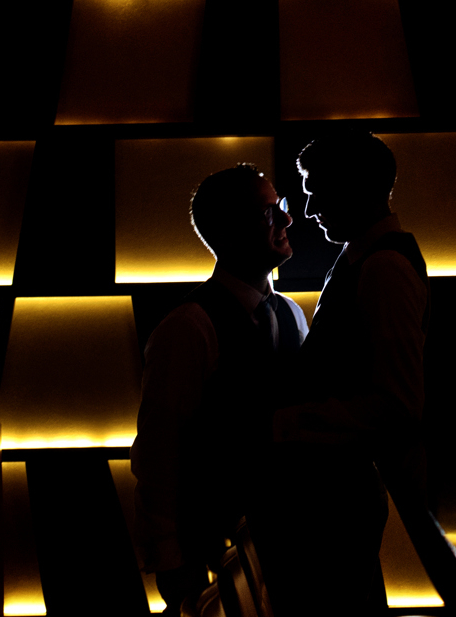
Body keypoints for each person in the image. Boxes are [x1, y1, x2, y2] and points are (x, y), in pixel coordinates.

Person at [255, 131, 430, 617]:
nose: (308, 209)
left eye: (316, 189)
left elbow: (398, 407)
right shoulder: (364, 258)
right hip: (337, 500)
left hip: (338, 507)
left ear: (354, 188)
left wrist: (284, 423)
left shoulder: (383, 269)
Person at [131, 164, 309, 616]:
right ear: (230, 231)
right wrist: (169, 559)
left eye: (281, 208)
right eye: (269, 213)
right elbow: (159, 450)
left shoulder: (292, 314)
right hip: (214, 553)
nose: (287, 220)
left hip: (292, 548)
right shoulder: (187, 329)